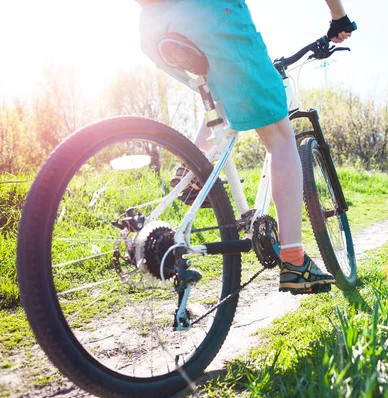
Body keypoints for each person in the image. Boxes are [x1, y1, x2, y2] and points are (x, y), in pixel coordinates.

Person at [136, 0, 353, 294]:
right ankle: (294, 262)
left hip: (153, 29)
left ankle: (193, 170)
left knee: (223, 93)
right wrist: (338, 16)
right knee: (280, 136)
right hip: (209, 14)